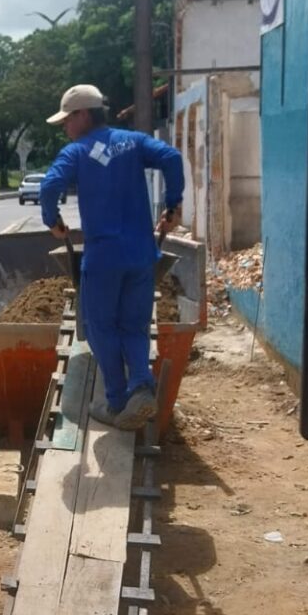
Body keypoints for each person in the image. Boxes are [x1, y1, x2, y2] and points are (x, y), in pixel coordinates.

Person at [40, 85, 184, 432]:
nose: (65, 128)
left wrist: (52, 221)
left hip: (104, 258)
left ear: (82, 115)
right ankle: (141, 386)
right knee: (134, 325)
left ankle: (117, 401)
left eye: (66, 120)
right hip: (140, 255)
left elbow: (48, 187)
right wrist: (173, 204)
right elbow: (172, 157)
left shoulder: (76, 151)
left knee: (102, 327)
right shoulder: (133, 142)